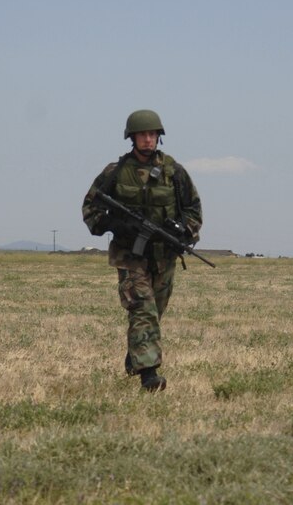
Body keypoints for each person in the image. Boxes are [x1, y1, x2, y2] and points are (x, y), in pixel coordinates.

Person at [82, 110, 203, 392]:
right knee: (143, 309)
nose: (148, 139)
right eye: (142, 134)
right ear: (132, 137)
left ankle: (137, 352)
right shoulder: (114, 173)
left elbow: (194, 210)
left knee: (155, 312)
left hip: (163, 256)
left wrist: (183, 231)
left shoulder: (175, 172)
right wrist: (118, 225)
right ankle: (149, 375)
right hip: (130, 255)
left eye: (152, 134)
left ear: (158, 137)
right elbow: (90, 210)